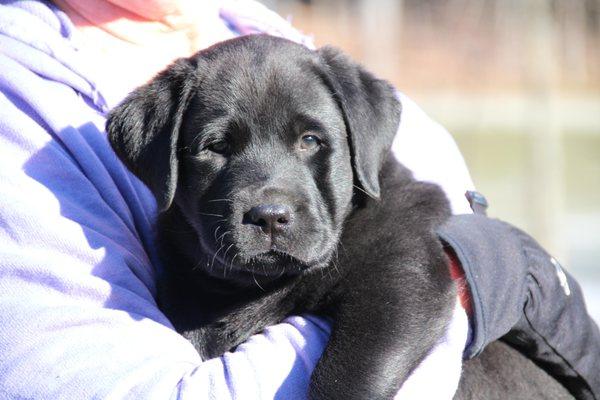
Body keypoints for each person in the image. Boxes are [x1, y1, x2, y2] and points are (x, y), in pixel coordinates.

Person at [0, 0, 597, 399]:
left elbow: (410, 288)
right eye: (216, 148)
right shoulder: (23, 92)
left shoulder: (275, 39)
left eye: (310, 141)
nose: (270, 201)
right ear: (160, 163)